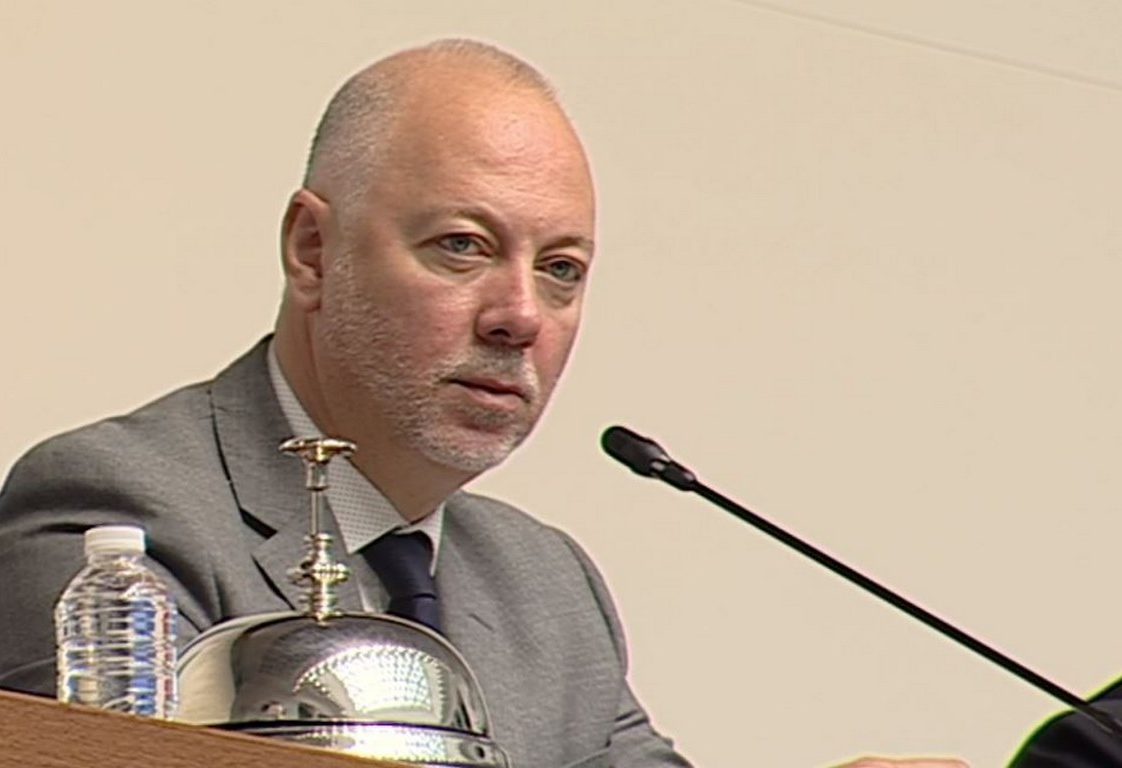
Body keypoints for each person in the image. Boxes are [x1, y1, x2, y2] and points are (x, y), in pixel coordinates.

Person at [0, 38, 966, 768]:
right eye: (462, 246)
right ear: (312, 252)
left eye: (561, 269)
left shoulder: (545, 583)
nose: (519, 316)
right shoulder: (118, 511)